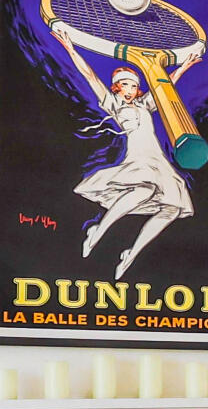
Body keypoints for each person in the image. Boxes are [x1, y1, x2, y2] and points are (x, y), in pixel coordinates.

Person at [72, 64, 193, 279]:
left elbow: (164, 85)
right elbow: (90, 75)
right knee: (144, 191)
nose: (129, 89)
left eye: (134, 86)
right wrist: (69, 47)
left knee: (172, 209)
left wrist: (185, 66)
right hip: (139, 157)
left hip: (158, 160)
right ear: (117, 87)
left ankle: (131, 254)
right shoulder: (112, 103)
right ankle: (97, 232)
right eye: (125, 84)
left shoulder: (144, 104)